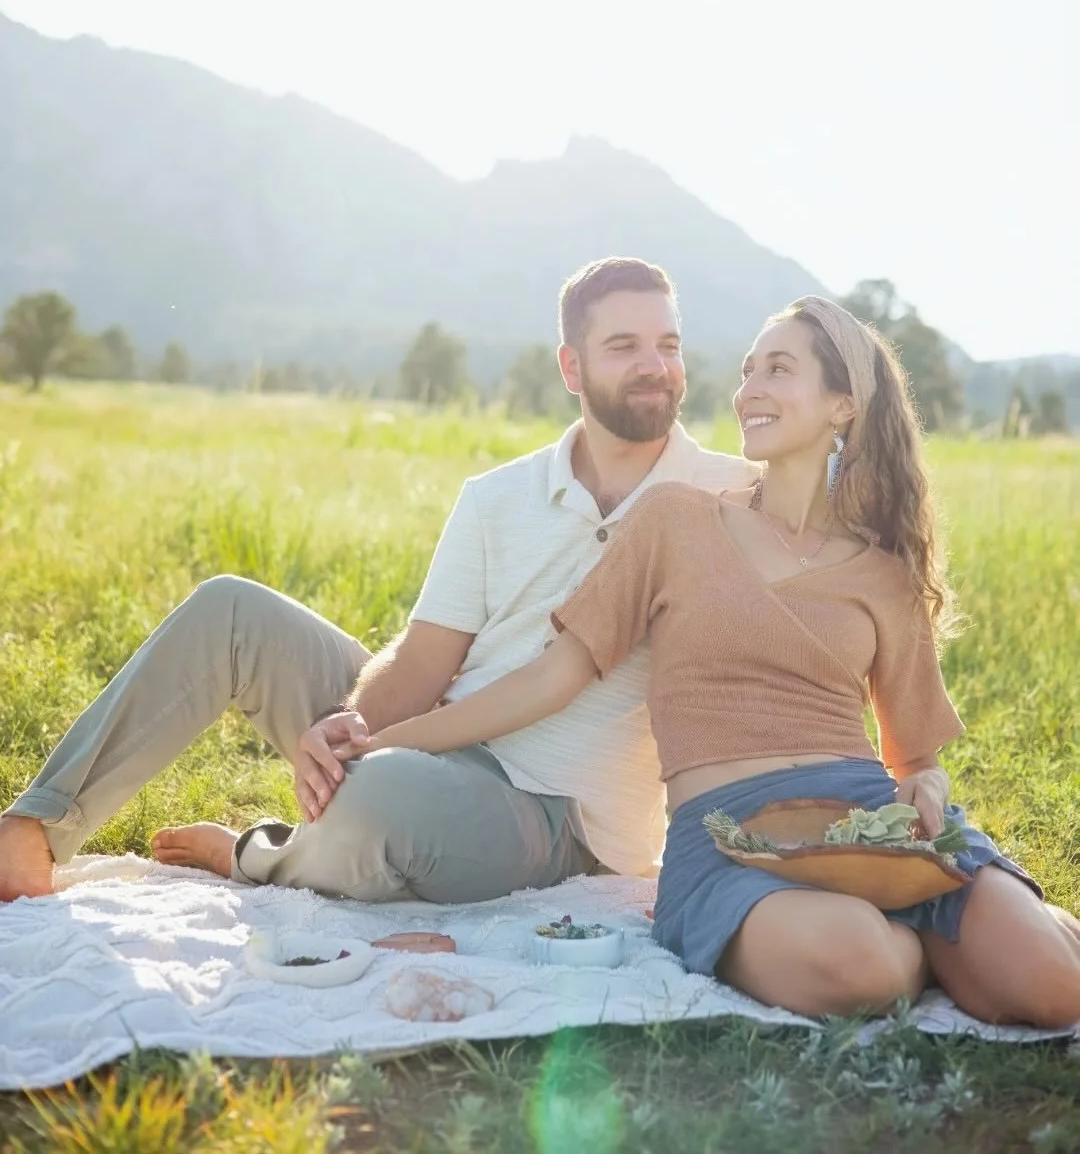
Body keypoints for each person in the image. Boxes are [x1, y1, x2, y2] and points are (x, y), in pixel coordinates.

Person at [343, 296, 1080, 1028]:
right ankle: (933, 950)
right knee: (866, 967)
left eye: (778, 370)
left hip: (871, 829)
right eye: (746, 369)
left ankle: (980, 931)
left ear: (842, 405)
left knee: (1053, 989)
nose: (747, 390)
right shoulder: (674, 520)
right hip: (729, 840)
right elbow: (548, 678)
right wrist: (383, 743)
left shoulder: (885, 571)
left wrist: (923, 786)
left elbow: (914, 758)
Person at [0, 257, 753, 905]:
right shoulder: (497, 496)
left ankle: (254, 854)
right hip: (433, 739)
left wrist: (378, 762)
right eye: (624, 346)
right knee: (230, 609)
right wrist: (350, 726)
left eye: (668, 344)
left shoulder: (728, 498)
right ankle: (36, 829)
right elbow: (426, 658)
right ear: (571, 367)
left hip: (556, 815)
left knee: (382, 796)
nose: (656, 365)